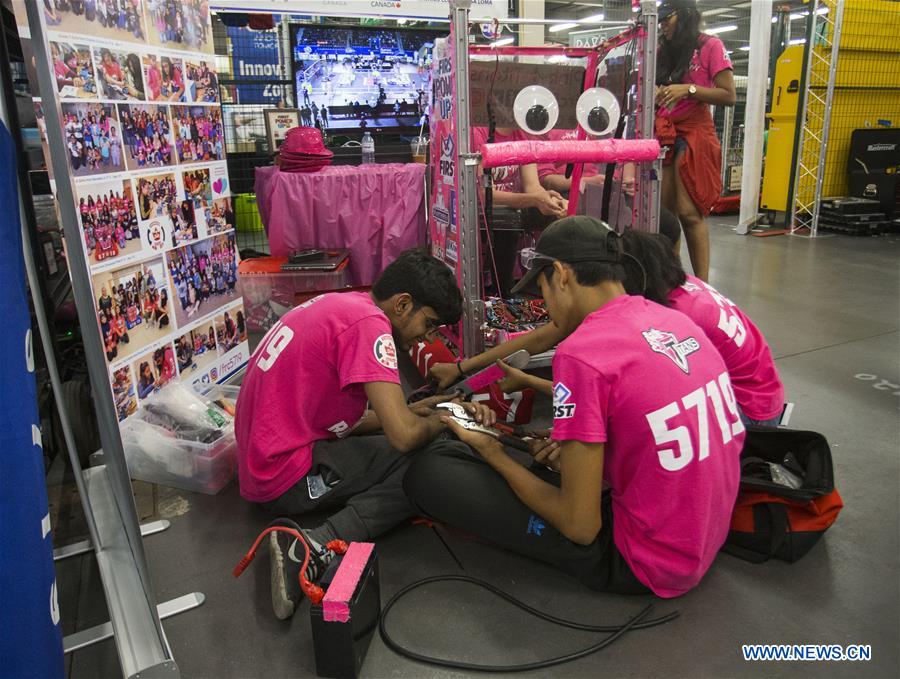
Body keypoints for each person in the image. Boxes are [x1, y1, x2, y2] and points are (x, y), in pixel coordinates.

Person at [404, 216, 745, 598]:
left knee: (429, 475)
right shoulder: (673, 320)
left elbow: (580, 526)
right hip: (703, 537)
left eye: (542, 291)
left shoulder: (581, 353)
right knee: (534, 461)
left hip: (644, 562)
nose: (545, 306)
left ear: (561, 274)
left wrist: (492, 452)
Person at [234, 249, 490, 620]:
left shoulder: (347, 306)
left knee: (418, 433)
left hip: (266, 460)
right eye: (429, 325)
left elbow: (350, 421)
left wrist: (425, 408)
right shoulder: (370, 326)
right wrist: (448, 419)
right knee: (428, 458)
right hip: (283, 477)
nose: (425, 338)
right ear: (403, 304)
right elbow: (403, 437)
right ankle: (312, 543)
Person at [655, 0, 735, 281]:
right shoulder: (661, 49)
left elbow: (728, 95)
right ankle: (672, 280)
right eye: (661, 20)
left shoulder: (709, 46)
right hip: (663, 131)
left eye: (668, 18)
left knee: (690, 213)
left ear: (685, 15)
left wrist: (688, 89)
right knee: (664, 218)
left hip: (694, 132)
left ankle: (703, 285)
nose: (663, 24)